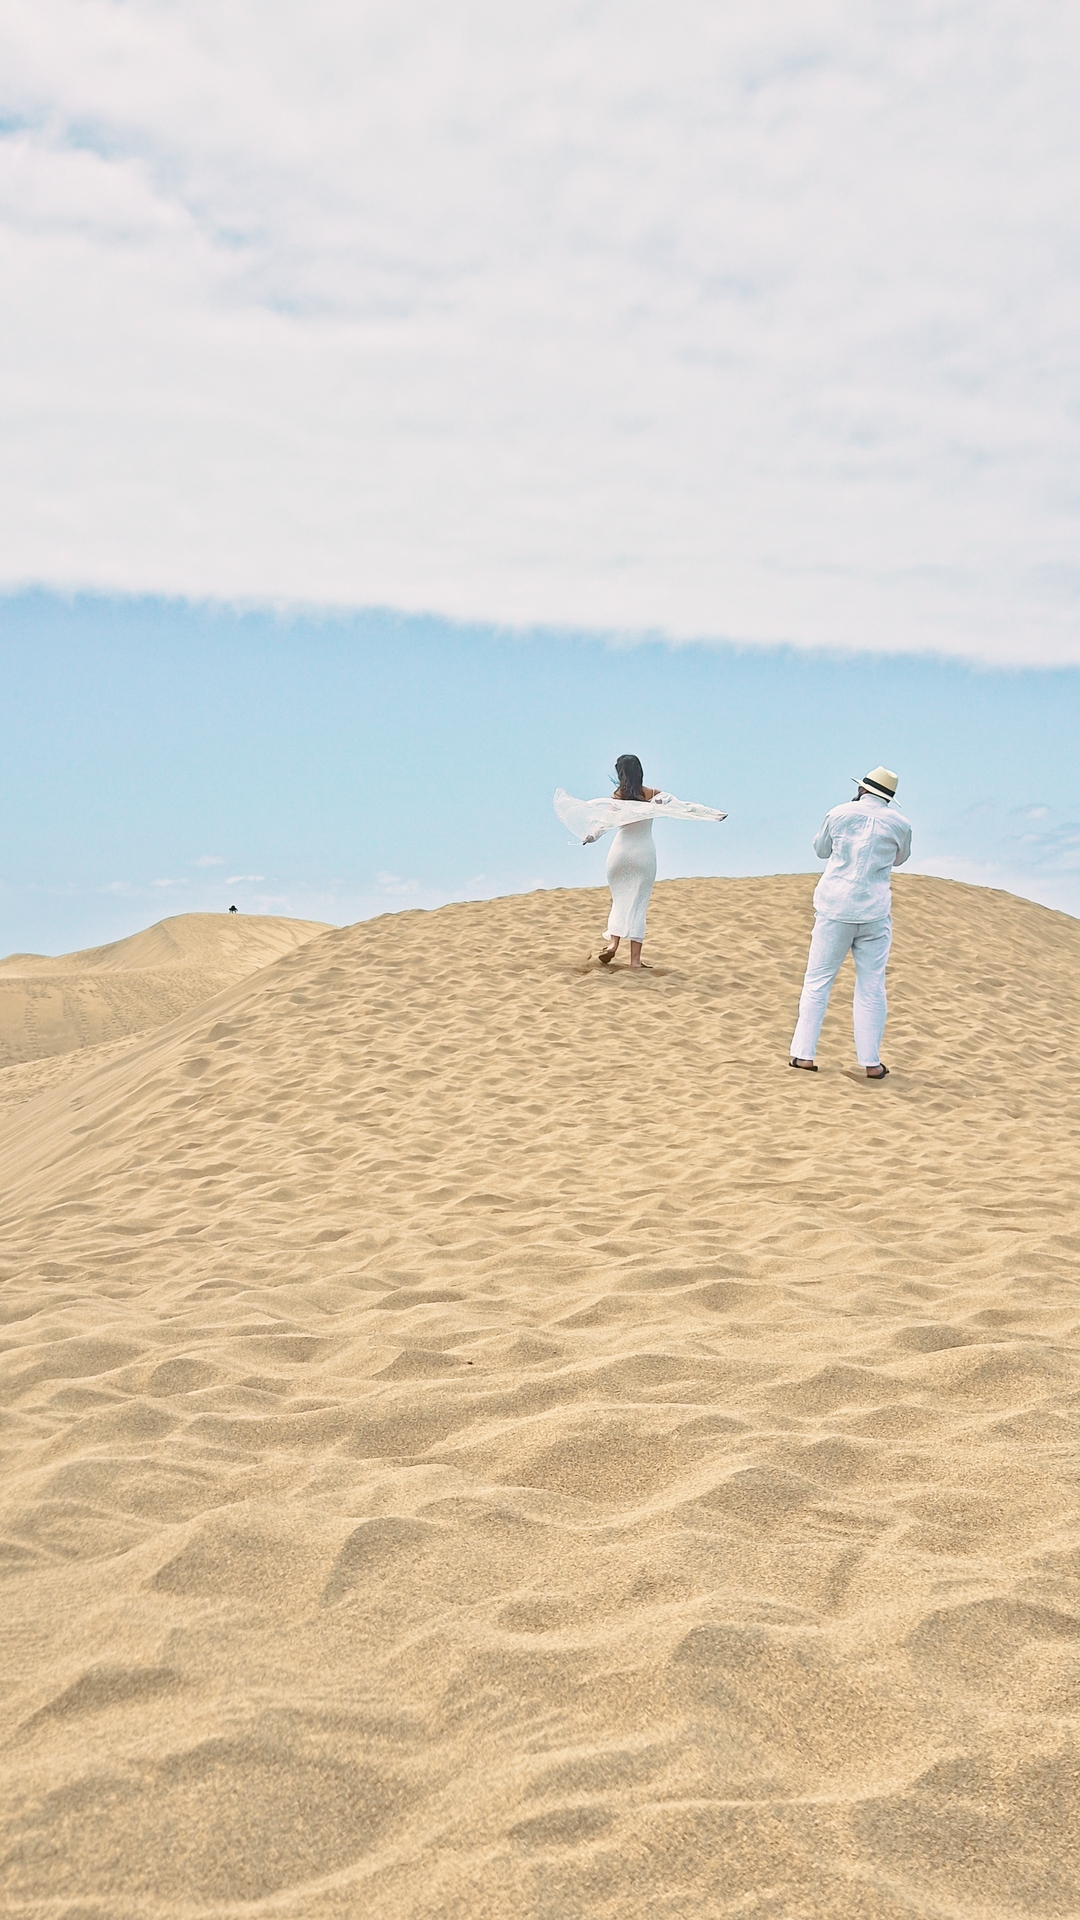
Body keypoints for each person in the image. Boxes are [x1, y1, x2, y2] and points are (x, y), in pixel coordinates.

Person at [789, 766, 911, 1079]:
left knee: (818, 980)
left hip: (834, 906)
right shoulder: (900, 823)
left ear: (862, 789)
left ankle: (804, 1054)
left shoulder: (838, 813)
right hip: (874, 910)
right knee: (872, 985)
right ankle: (871, 1062)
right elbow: (900, 858)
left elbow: (820, 850)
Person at [553, 758, 726, 970]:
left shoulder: (617, 797)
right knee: (638, 904)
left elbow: (603, 824)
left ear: (621, 774)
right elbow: (683, 808)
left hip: (620, 853)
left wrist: (590, 837)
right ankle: (635, 961)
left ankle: (612, 945)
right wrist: (712, 815)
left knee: (619, 900)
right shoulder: (654, 795)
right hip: (643, 853)